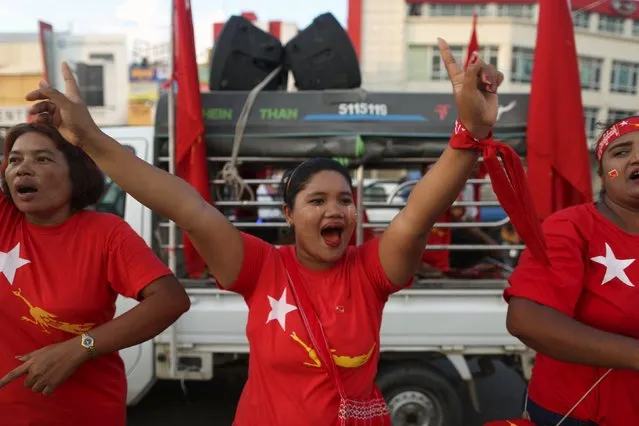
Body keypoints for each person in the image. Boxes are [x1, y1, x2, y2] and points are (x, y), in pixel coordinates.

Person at [24, 38, 504, 425]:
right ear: (289, 216)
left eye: (345, 201)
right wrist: (89, 137)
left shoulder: (371, 271)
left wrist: (469, 134)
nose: (335, 209)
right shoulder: (261, 267)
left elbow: (417, 215)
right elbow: (184, 204)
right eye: (316, 200)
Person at [0, 123, 191, 426]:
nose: (23, 169)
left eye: (42, 159)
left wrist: (80, 348)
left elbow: (170, 300)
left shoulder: (106, 233)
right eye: (14, 160)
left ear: (75, 175)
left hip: (84, 414)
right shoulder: (5, 219)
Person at [505, 116, 639, 426]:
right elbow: (526, 319)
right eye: (620, 152)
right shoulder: (570, 227)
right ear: (603, 173)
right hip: (574, 416)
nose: (636, 158)